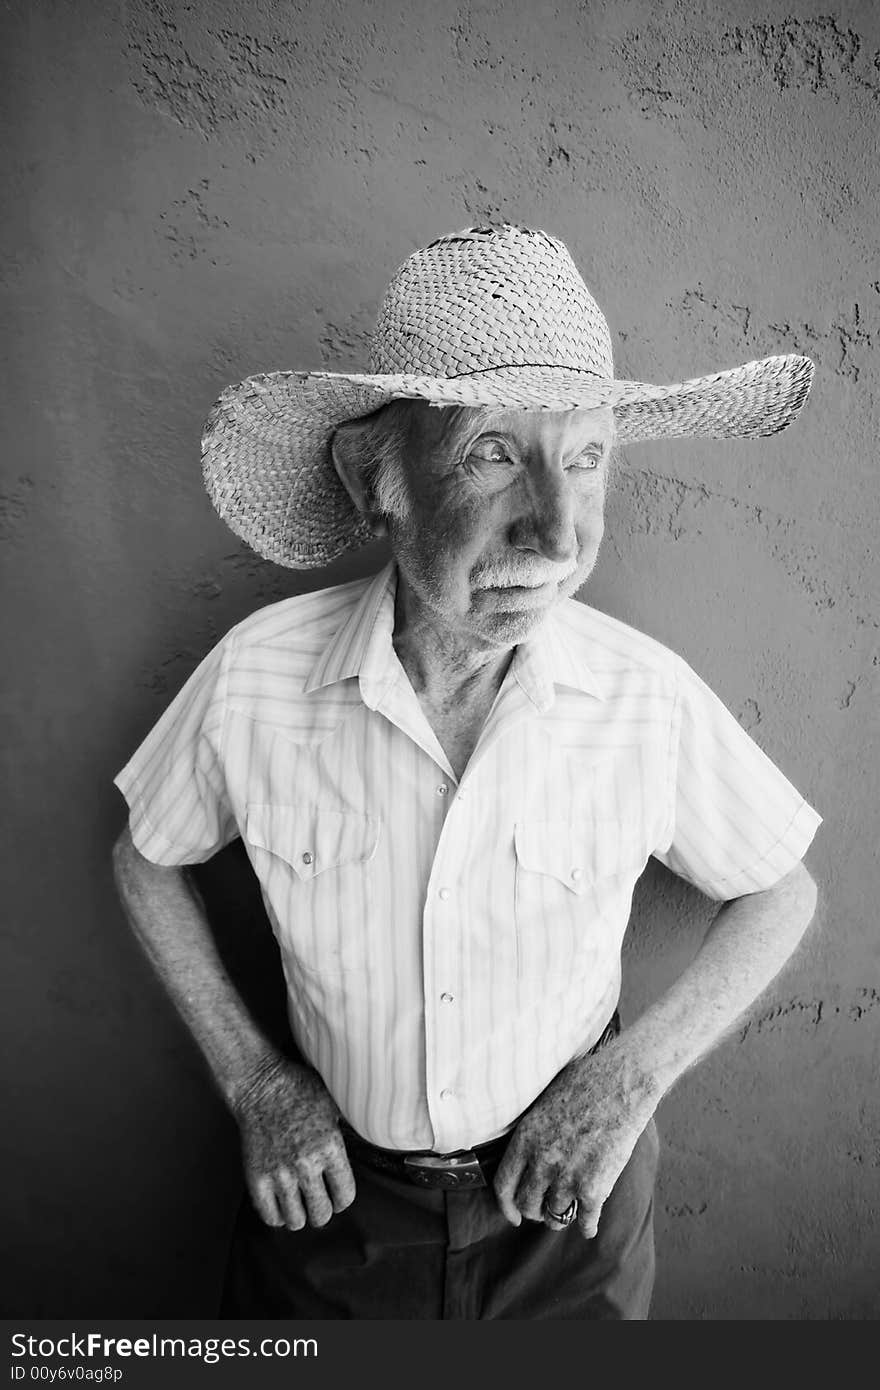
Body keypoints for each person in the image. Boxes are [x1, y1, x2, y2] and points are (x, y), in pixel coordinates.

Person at [112, 224, 821, 1320]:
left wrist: (626, 1083)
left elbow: (781, 885)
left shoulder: (642, 693)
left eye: (583, 455)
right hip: (330, 1215)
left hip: (568, 1216)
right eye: (495, 451)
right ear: (375, 478)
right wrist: (255, 1081)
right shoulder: (256, 677)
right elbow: (145, 858)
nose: (557, 528)